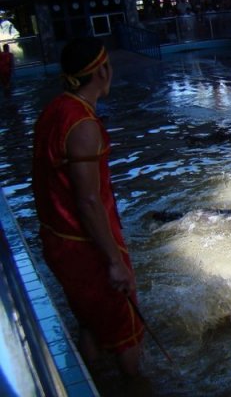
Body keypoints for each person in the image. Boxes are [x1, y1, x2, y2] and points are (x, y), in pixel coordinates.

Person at [31, 37, 146, 388]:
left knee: (89, 322)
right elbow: (88, 201)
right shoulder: (82, 125)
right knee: (127, 330)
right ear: (101, 71)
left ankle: (93, 384)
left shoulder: (55, 110)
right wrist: (114, 260)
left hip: (59, 240)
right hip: (86, 247)